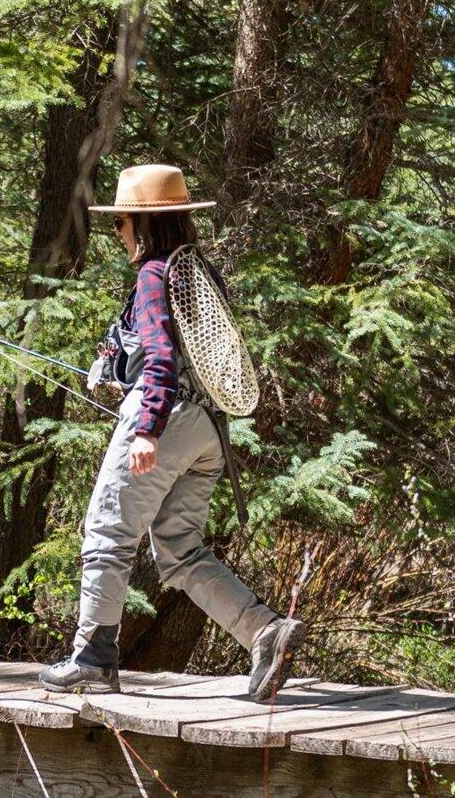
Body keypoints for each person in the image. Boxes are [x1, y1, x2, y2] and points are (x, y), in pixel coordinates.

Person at [39, 164, 301, 696]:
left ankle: (92, 659)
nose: (118, 234)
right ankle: (265, 631)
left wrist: (147, 429)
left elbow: (160, 358)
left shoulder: (154, 274)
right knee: (179, 547)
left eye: (122, 223)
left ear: (143, 225)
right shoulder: (199, 273)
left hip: (166, 418)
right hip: (208, 428)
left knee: (108, 530)